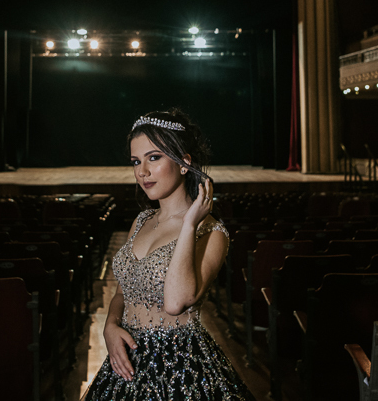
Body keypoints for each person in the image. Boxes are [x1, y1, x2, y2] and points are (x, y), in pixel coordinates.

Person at [81, 109, 256, 400]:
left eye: (154, 157)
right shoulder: (140, 222)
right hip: (125, 363)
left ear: (184, 163)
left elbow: (176, 303)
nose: (142, 172)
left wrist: (189, 224)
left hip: (181, 368)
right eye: (136, 161)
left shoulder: (210, 232)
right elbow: (123, 293)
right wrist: (110, 327)